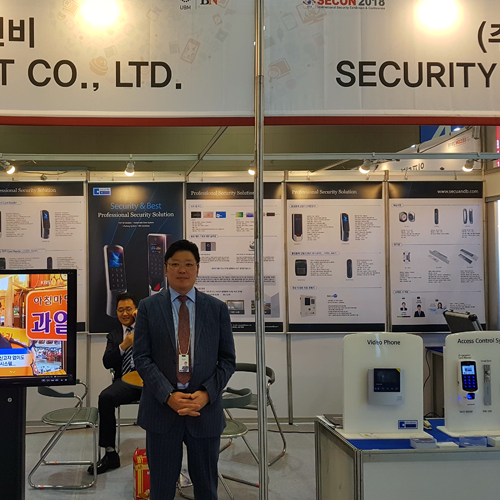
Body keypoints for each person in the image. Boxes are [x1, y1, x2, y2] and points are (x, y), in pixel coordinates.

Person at [134, 239, 236, 500]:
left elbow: (227, 360)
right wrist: (168, 395)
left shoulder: (216, 308)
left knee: (206, 489)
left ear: (197, 269)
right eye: (176, 264)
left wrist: (207, 394)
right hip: (162, 410)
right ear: (166, 269)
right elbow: (142, 358)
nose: (182, 270)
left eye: (189, 264)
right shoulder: (148, 307)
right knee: (161, 489)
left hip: (204, 411)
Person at [87, 292, 142, 475]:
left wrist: (141, 321)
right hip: (125, 382)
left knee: (168, 397)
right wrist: (124, 345)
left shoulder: (147, 328)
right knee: (105, 397)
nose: (124, 313)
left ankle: (163, 449)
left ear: (135, 310)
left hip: (149, 382)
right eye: (120, 310)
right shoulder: (114, 335)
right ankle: (110, 454)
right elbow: (107, 362)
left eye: (128, 309)